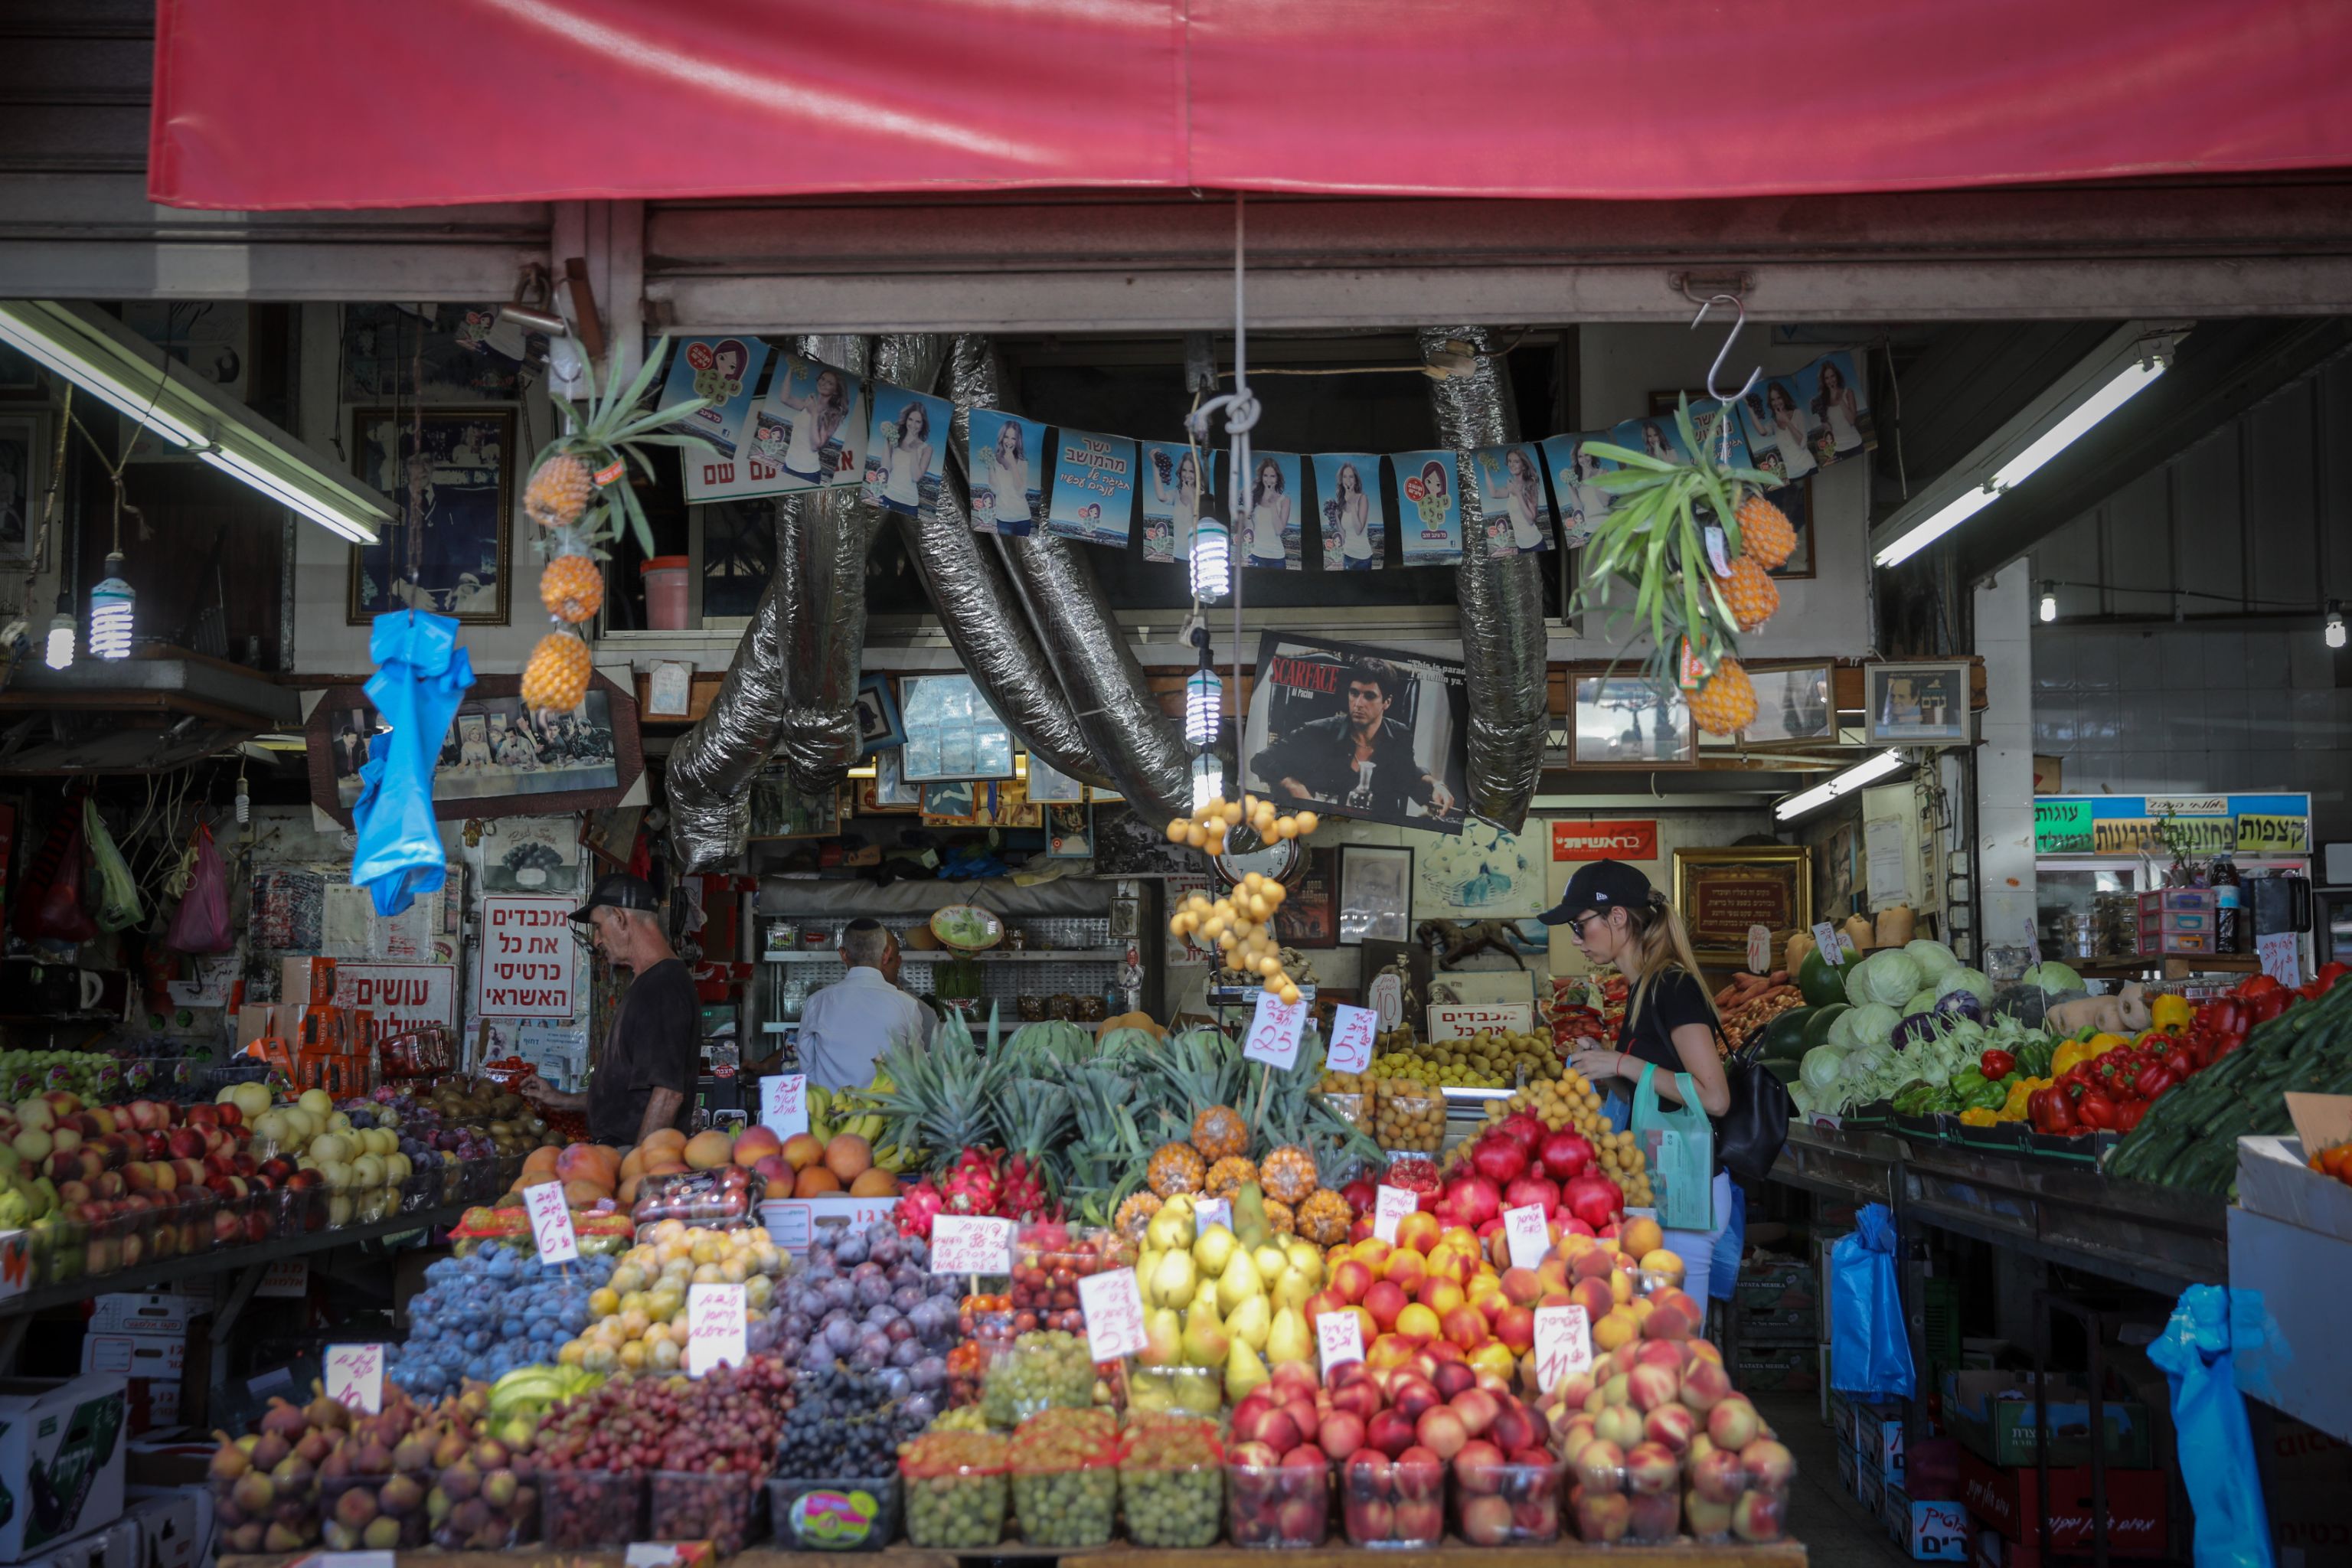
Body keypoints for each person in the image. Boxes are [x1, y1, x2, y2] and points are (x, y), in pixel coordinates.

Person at [1540, 860, 1735, 1305]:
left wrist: (1625, 1064)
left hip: (1689, 1188)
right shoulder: (1641, 988)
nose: (1575, 938)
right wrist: (1608, 1067)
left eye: (1580, 924)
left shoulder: (1672, 986)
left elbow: (1714, 1096)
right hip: (1663, 1182)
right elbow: (1654, 1094)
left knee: (1678, 1339)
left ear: (1618, 917)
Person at [519, 874, 699, 1146]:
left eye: (599, 927)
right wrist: (561, 1100)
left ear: (620, 918)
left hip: (635, 1155)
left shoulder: (663, 986)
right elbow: (629, 1095)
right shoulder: (649, 981)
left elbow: (668, 1094)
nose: (598, 939)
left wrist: (639, 1171)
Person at [1250, 658, 1456, 822]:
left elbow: (1409, 775)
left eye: (1369, 696)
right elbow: (1261, 759)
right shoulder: (1319, 731)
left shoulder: (1399, 734)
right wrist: (1293, 786)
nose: (1358, 703)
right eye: (1354, 693)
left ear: (1387, 702)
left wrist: (1437, 785)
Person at [799, 919, 936, 1089]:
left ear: (843, 954)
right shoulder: (907, 1005)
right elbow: (916, 1068)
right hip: (887, 1113)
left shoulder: (816, 1003)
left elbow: (807, 1068)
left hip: (829, 1112)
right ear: (886, 954)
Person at [773, 365, 851, 485]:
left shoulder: (833, 415)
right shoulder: (809, 402)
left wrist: (814, 413)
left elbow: (816, 446)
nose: (824, 383)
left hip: (807, 473)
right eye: (823, 379)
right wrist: (791, 370)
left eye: (830, 383)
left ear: (836, 390)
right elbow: (784, 398)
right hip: (788, 466)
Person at [873, 400, 933, 518]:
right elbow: (886, 468)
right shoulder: (895, 438)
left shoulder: (927, 449)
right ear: (906, 420)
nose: (913, 425)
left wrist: (915, 449)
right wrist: (887, 440)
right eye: (910, 419)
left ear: (923, 424)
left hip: (909, 504)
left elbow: (916, 477)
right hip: (887, 496)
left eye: (918, 422)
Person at [1755, 381, 1816, 480]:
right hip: (1792, 475)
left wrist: (1787, 421)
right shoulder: (1772, 423)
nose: (1777, 402)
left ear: (1784, 397)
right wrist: (1749, 408)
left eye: (1779, 398)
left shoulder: (1797, 414)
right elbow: (1762, 432)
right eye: (1773, 400)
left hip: (1809, 467)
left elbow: (1803, 444)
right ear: (1770, 403)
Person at [980, 419, 1033, 533]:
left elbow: (1021, 492)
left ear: (1018, 441)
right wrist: (990, 466)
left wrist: (1013, 464)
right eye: (1006, 437)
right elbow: (996, 490)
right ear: (1001, 437)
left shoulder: (1023, 463)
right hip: (1003, 519)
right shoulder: (993, 460)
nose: (1009, 442)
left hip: (1023, 519)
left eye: (1013, 438)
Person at [1813, 358, 1864, 456]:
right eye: (1827, 378)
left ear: (1837, 376)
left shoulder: (1848, 392)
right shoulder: (1823, 401)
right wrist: (1823, 419)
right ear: (1824, 381)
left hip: (1856, 444)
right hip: (1838, 449)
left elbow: (1852, 421)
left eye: (1832, 376)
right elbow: (1828, 429)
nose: (1831, 380)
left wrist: (1840, 399)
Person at [1328, 461, 1375, 569]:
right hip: (1348, 556)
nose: (1348, 480)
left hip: (1363, 558)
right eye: (1345, 477)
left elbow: (1358, 530)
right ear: (1341, 480)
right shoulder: (1342, 503)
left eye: (1351, 477)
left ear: (1356, 480)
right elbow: (1343, 535)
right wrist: (1336, 517)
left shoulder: (1362, 498)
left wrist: (1352, 504)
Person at [1246, 457, 1291, 566]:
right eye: (1265, 475)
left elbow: (1279, 530)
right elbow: (1250, 528)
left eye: (1272, 476)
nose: (1269, 480)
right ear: (1261, 477)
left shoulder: (1285, 501)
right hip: (1255, 555)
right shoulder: (1254, 498)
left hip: (1277, 558)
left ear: (1277, 478)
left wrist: (1273, 504)